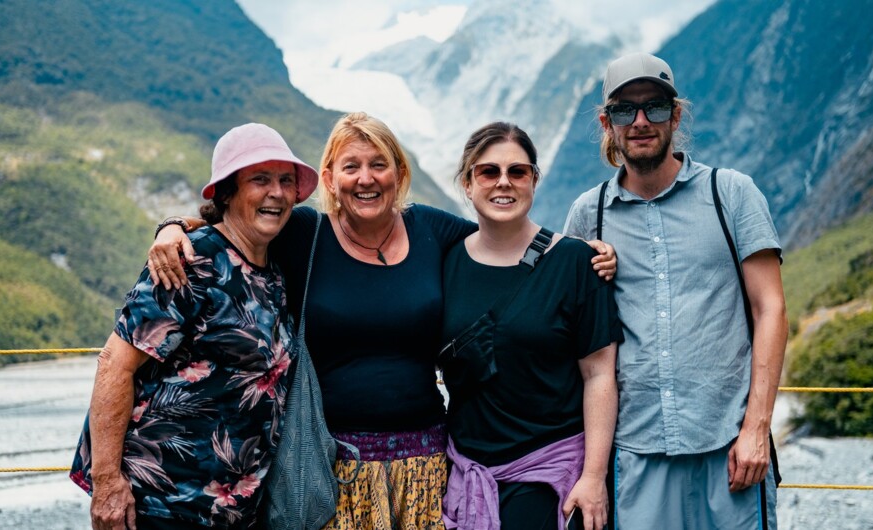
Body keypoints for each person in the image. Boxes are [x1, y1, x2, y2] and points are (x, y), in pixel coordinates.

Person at [148, 112, 618, 529]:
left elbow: (505, 237)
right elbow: (237, 222)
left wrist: (581, 254)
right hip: (335, 468)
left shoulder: (432, 230)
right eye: (351, 166)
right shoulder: (304, 235)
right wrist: (173, 226)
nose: (366, 178)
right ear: (330, 178)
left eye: (379, 164)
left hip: (430, 466)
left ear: (399, 173)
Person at [563, 52, 788, 529]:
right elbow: (574, 332)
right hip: (637, 452)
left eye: (656, 107)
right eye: (625, 110)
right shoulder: (590, 214)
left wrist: (757, 428)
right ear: (607, 122)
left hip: (729, 447)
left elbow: (770, 308)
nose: (641, 121)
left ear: (676, 114)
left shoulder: (731, 194)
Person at [69, 123, 319, 529]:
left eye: (285, 181)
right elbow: (116, 363)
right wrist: (107, 482)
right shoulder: (191, 261)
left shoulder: (271, 268)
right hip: (162, 504)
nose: (276, 192)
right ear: (228, 192)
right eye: (259, 179)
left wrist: (176, 221)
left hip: (232, 513)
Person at [440, 123, 623, 530]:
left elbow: (598, 375)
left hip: (550, 480)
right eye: (488, 172)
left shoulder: (576, 263)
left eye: (517, 172)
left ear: (534, 180)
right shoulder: (445, 262)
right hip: (465, 475)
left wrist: (594, 477)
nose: (503, 182)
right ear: (468, 184)